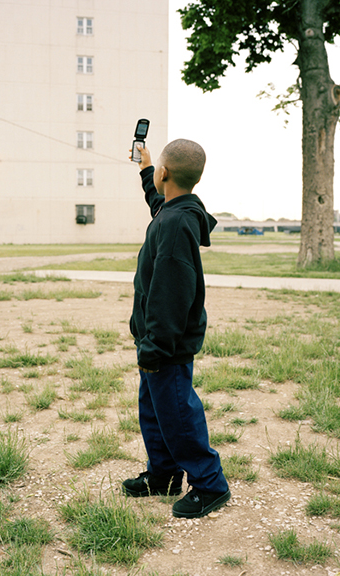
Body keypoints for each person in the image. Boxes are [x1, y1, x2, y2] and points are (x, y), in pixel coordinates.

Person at [122, 139, 230, 519]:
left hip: (165, 345)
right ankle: (164, 476)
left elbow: (170, 293)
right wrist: (145, 169)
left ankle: (210, 484)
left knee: (178, 416)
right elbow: (159, 203)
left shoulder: (175, 224)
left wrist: (154, 347)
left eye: (157, 170)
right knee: (155, 412)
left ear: (166, 173)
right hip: (156, 342)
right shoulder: (175, 211)